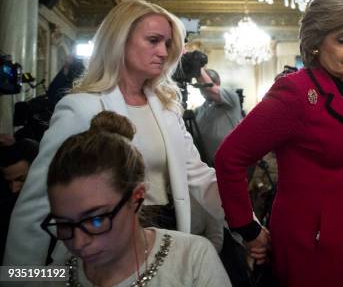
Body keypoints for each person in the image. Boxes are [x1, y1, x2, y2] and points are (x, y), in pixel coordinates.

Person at [4, 0, 225, 266]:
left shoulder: (167, 108)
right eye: (153, 40)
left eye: (167, 44)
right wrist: (22, 278)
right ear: (120, 41)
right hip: (100, 245)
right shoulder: (81, 107)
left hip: (170, 236)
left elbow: (200, 178)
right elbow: (37, 203)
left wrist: (248, 226)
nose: (164, 52)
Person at [215, 0, 343, 286]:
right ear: (316, 44)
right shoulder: (295, 92)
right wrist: (248, 229)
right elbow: (229, 159)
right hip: (312, 247)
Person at [42, 111, 231, 286]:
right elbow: (15, 275)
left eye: (96, 220)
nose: (78, 243)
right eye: (64, 225)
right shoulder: (56, 273)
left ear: (136, 197)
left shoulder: (192, 260)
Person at [195, 68, 242, 165]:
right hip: (208, 164)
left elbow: (211, 89)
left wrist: (197, 68)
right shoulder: (201, 108)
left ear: (218, 83)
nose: (203, 89)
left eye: (203, 85)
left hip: (231, 162)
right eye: (200, 86)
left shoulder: (231, 97)